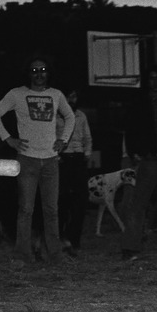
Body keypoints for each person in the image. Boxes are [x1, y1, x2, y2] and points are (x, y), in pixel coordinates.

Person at [0, 56, 75, 265]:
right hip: (27, 160)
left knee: (51, 210)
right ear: (28, 73)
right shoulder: (17, 94)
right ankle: (22, 255)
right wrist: (9, 140)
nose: (39, 74)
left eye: (43, 69)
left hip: (51, 161)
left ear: (49, 72)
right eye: (34, 70)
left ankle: (55, 254)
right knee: (26, 209)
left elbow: (70, 117)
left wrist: (63, 140)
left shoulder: (56, 95)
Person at [121, 65, 157, 261]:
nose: (156, 82)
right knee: (138, 204)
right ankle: (130, 247)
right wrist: (135, 153)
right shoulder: (140, 104)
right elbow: (131, 128)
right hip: (151, 159)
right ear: (147, 81)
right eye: (152, 78)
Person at [57, 88, 92, 256]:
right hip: (62, 159)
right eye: (68, 95)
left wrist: (87, 154)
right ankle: (59, 237)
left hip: (78, 159)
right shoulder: (56, 116)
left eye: (74, 95)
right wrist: (55, 156)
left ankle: (74, 238)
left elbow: (87, 137)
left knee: (81, 200)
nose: (71, 98)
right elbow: (49, 137)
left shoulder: (81, 116)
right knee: (61, 200)